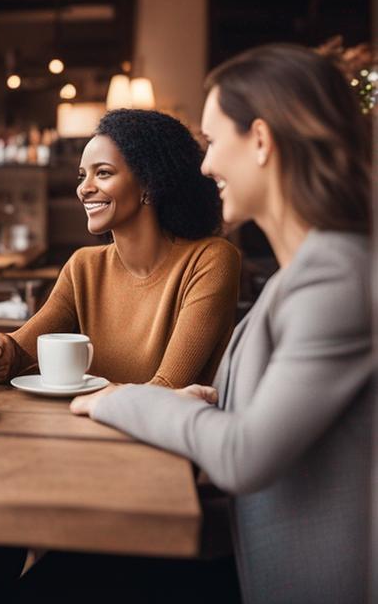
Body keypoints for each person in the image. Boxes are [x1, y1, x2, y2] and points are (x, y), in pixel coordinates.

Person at [72, 44, 373, 604]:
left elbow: (244, 454)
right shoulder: (307, 273)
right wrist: (201, 403)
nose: (205, 166)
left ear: (261, 140)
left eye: (213, 143)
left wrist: (118, 399)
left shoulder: (336, 276)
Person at [0, 108, 242, 602]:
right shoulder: (84, 265)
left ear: (149, 183)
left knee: (6, 538)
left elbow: (166, 394)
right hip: (82, 467)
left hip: (156, 497)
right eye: (82, 175)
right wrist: (0, 353)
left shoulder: (209, 261)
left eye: (102, 173)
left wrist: (97, 398)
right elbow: (21, 350)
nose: (84, 187)